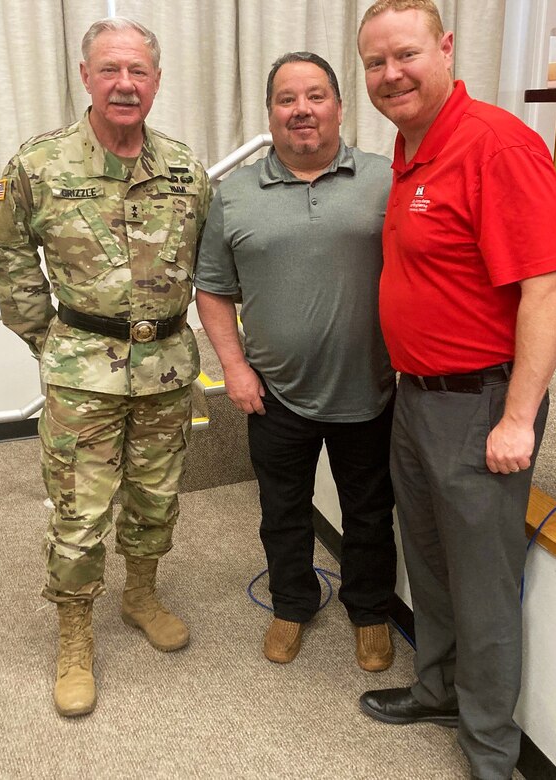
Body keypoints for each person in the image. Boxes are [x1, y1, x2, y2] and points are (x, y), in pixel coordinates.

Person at [357, 2, 556, 778]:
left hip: (479, 402)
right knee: (430, 559)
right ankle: (439, 687)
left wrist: (518, 417)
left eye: (406, 55)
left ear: (447, 48)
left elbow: (549, 286)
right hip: (417, 398)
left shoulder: (495, 145)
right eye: (376, 63)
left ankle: (489, 750)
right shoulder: (411, 147)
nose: (391, 75)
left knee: (482, 585)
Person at [0, 18, 212, 717]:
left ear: (156, 80)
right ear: (85, 76)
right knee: (81, 513)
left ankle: (140, 593)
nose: (124, 83)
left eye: (138, 71)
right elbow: (9, 258)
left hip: (168, 368)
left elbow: (206, 260)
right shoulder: (39, 165)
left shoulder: (185, 168)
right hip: (83, 373)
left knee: (155, 495)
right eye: (110, 69)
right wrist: (53, 342)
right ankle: (75, 631)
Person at [194, 52, 397, 670]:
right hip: (275, 393)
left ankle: (370, 612)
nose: (301, 110)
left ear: (339, 106)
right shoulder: (233, 195)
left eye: (315, 96)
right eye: (287, 99)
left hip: (372, 389)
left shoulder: (387, 179)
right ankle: (291, 603)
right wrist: (233, 367)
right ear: (271, 113)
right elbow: (212, 288)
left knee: (368, 510)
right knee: (283, 510)